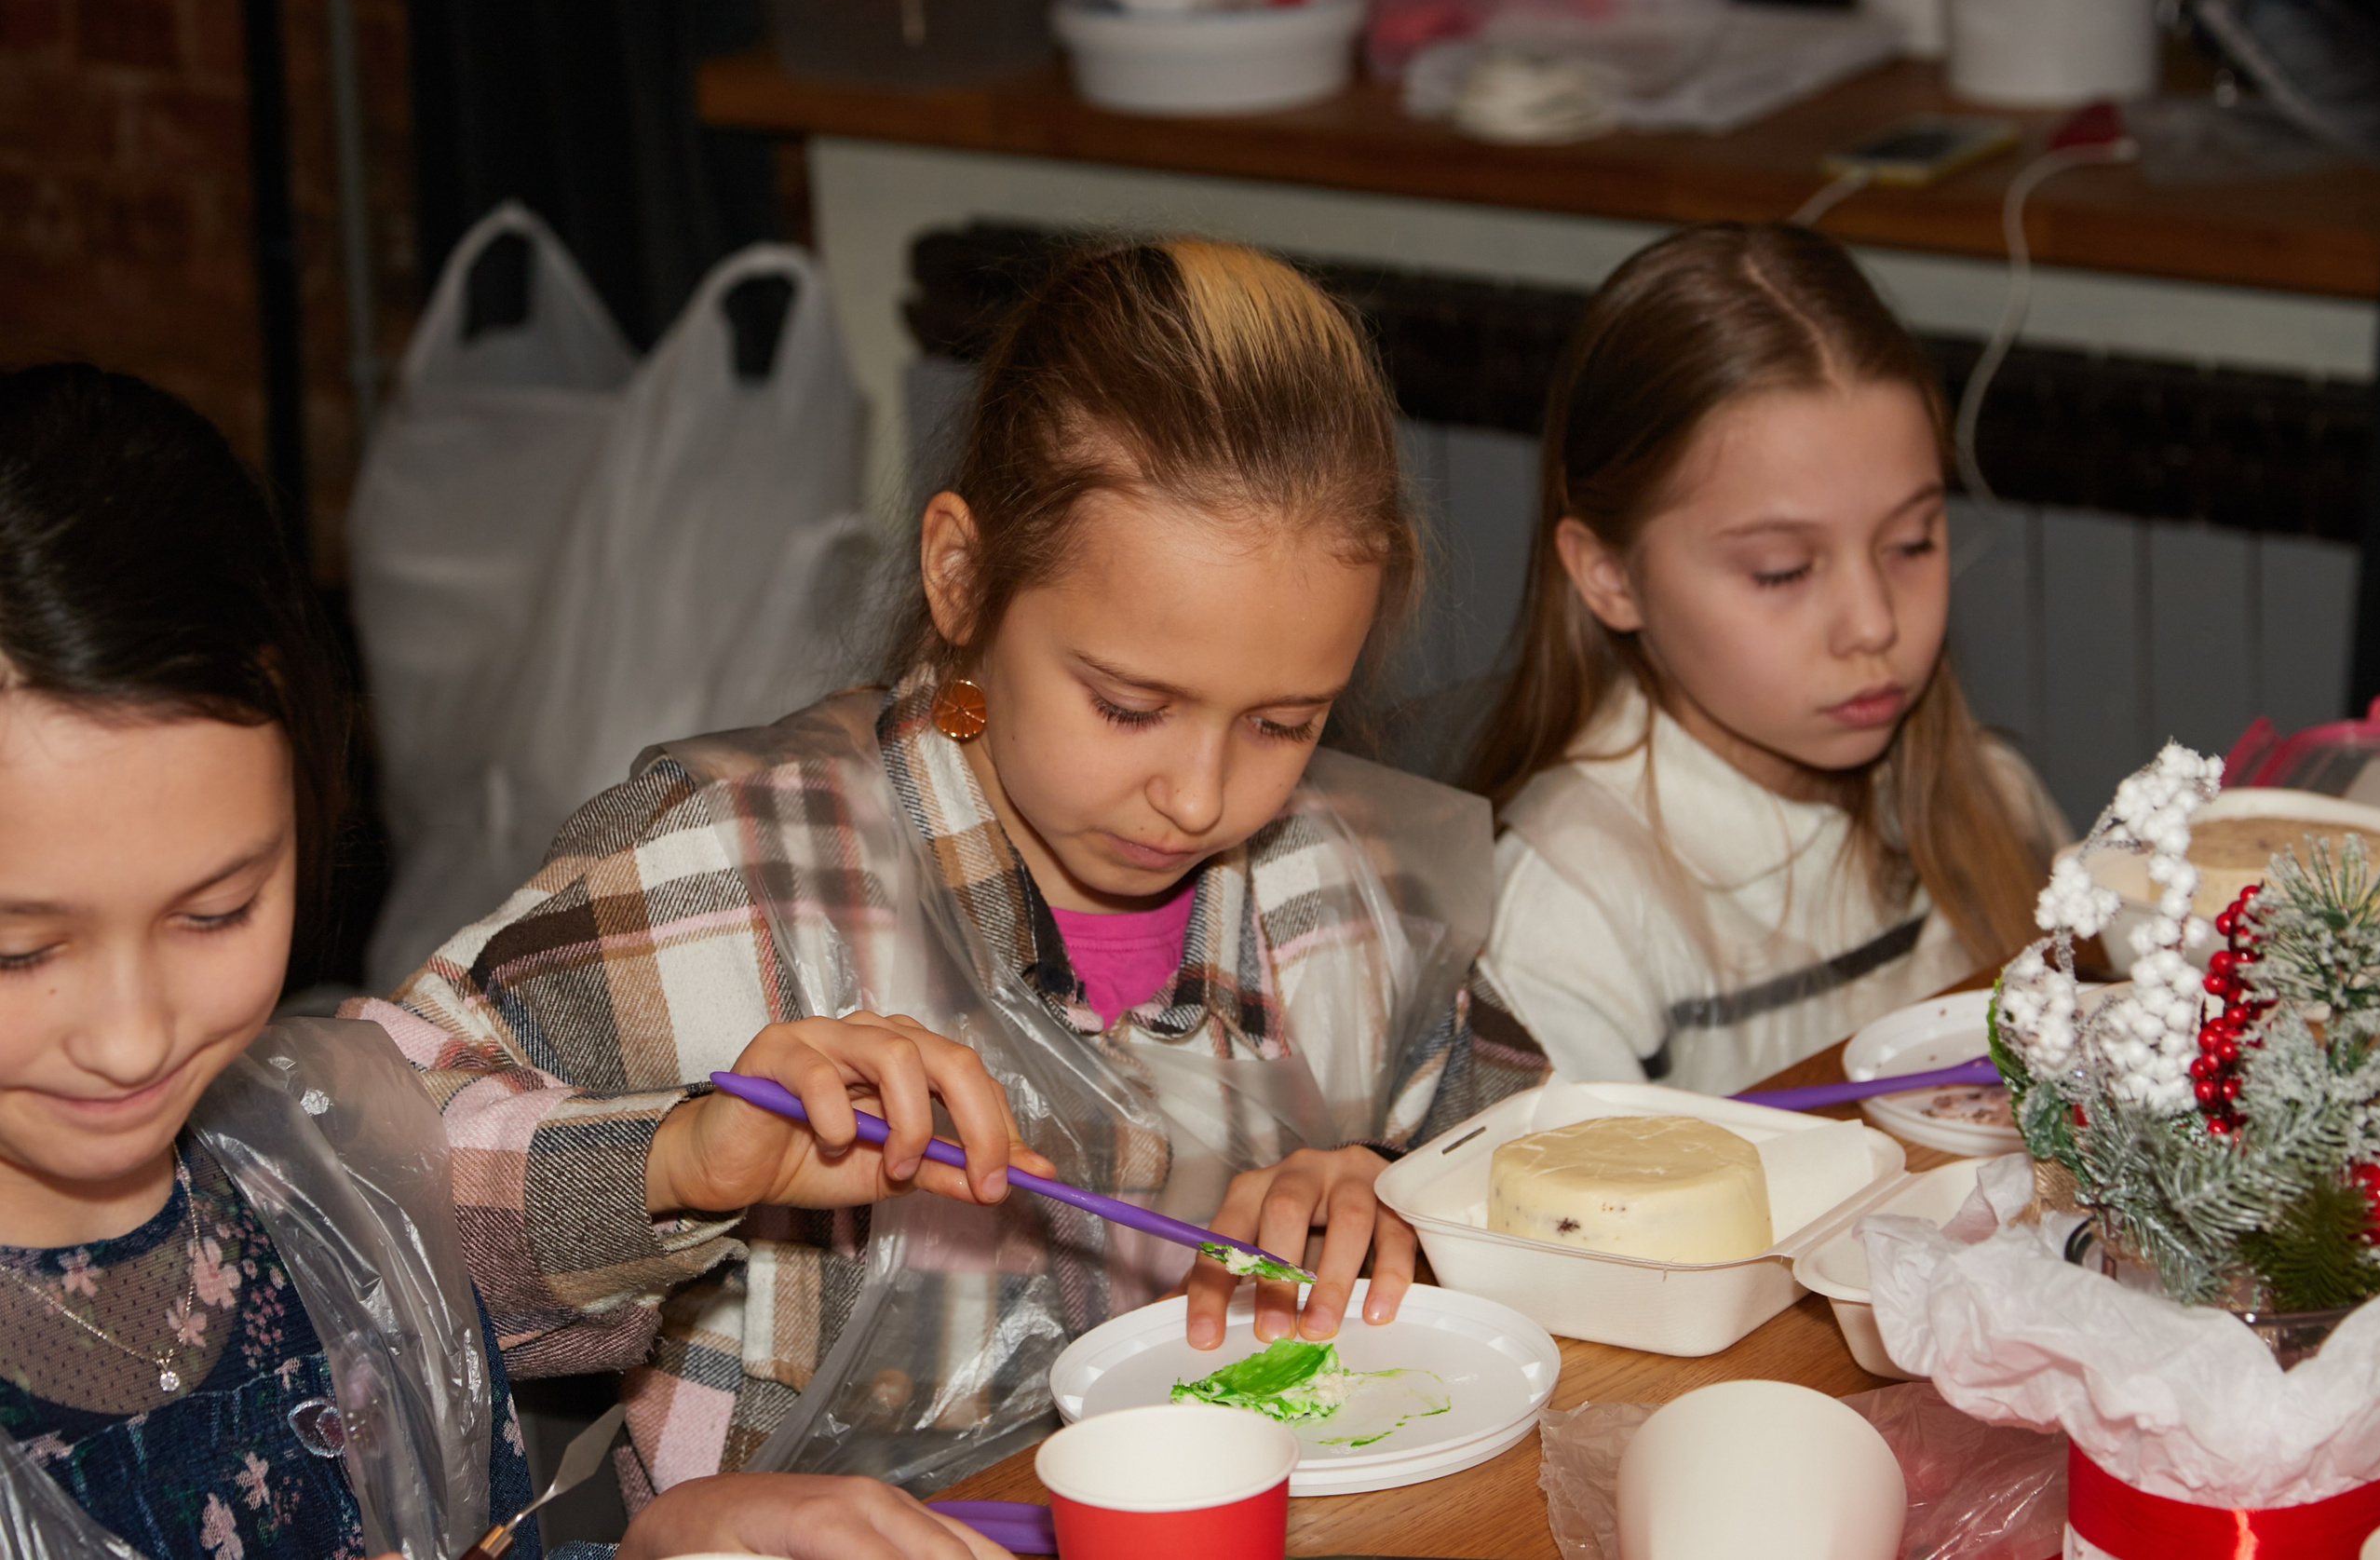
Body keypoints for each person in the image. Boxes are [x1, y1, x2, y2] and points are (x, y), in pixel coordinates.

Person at [378, 237, 1546, 1499]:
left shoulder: (1346, 898)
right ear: (962, 574)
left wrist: (1405, 1203)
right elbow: (349, 1196)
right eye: (1128, 704)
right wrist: (677, 1158)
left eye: (1283, 722)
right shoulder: (729, 873)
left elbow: (1541, 1172)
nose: (1203, 795)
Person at [0, 364, 1010, 1560]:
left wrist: (673, 1539)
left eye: (216, 912)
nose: (130, 1033)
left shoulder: (315, 1172)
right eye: (20, 949)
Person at [1465, 223, 2064, 1095]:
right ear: (1609, 576)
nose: (1872, 624)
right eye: (1781, 570)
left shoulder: (1993, 799)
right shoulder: (1569, 918)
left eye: (1911, 542)